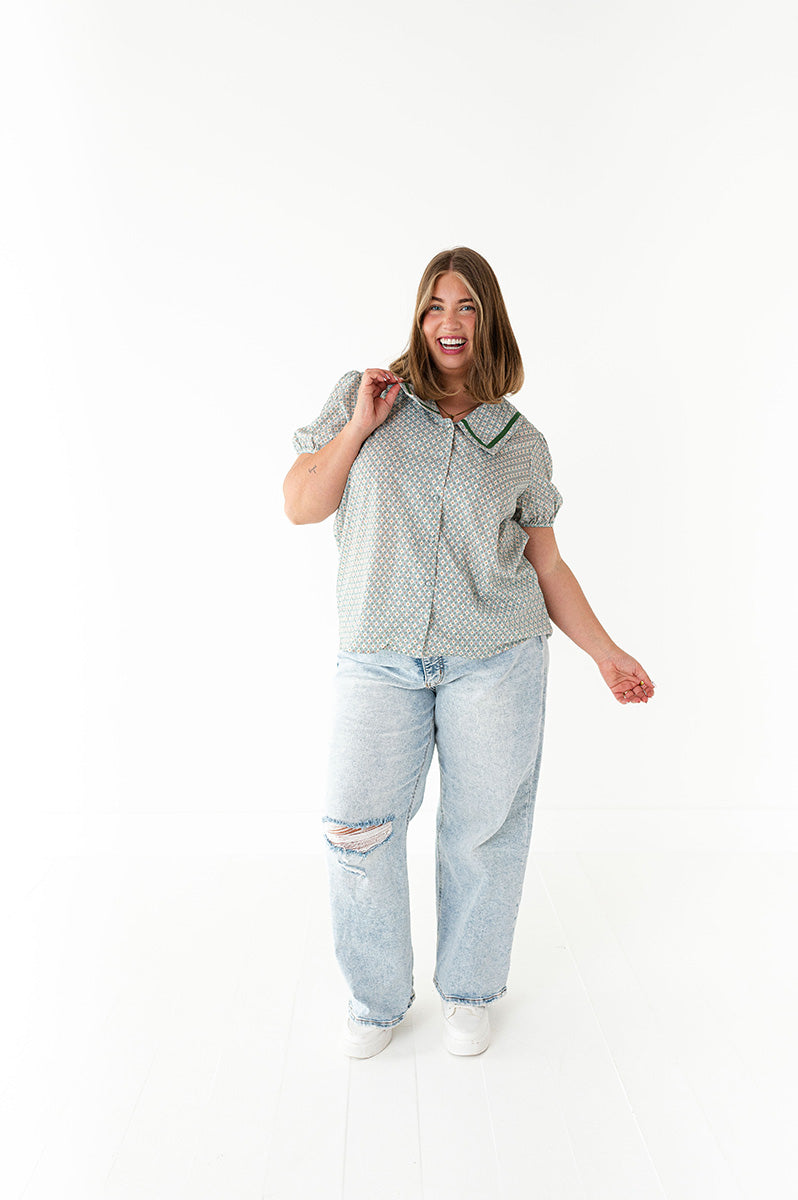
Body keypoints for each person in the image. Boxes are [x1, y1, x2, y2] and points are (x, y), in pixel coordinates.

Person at [283, 247, 655, 1059]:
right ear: (418, 317)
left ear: (489, 322)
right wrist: (359, 427)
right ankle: (375, 1001)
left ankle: (470, 991)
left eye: (467, 307)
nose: (448, 322)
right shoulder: (367, 397)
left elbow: (546, 566)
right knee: (356, 827)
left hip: (496, 659)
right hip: (379, 656)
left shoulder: (522, 443)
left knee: (484, 833)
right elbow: (302, 504)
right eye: (434, 306)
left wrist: (606, 652)